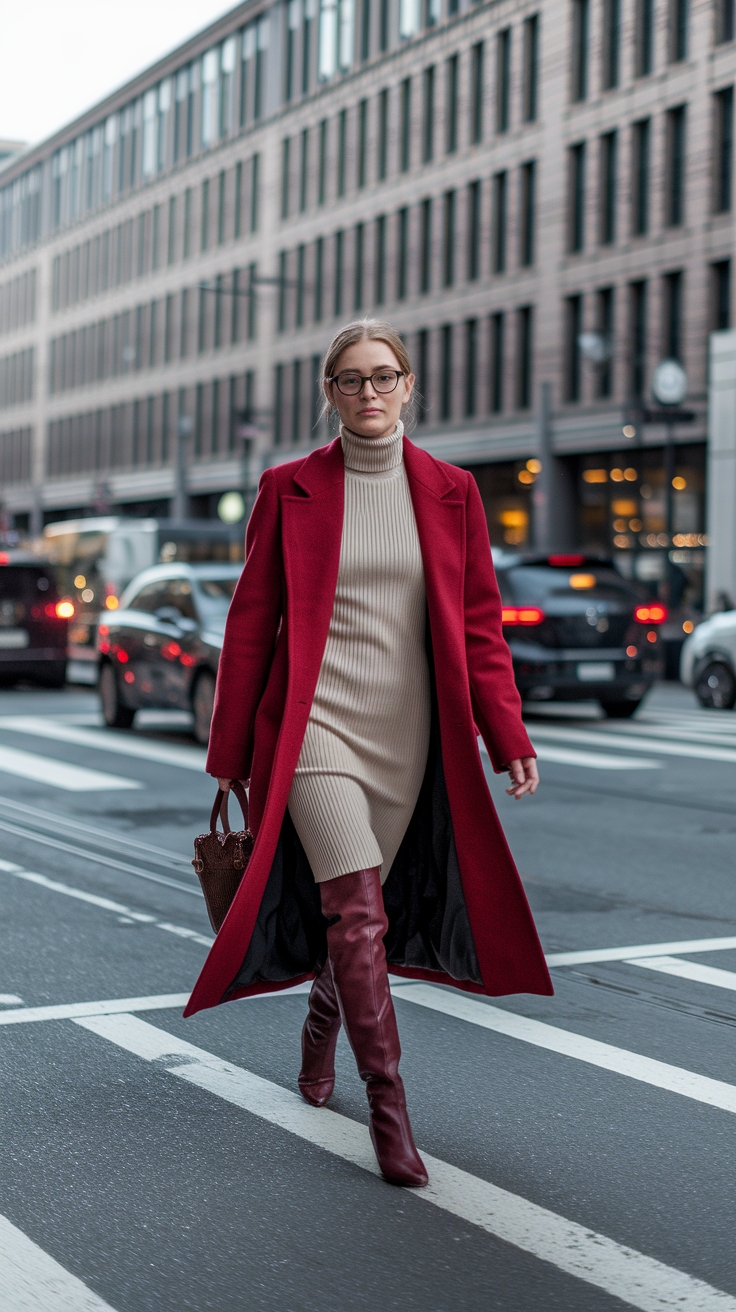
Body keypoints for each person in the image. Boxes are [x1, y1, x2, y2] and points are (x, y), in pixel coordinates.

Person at [184, 319, 552, 1188]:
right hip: (316, 730)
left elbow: (479, 628)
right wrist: (231, 749)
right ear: (331, 394)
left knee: (363, 917)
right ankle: (390, 1111)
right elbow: (250, 626)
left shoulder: (453, 491)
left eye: (384, 376)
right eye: (351, 380)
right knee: (355, 910)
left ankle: (321, 1025)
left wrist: (508, 734)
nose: (370, 392)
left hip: (410, 734)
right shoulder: (289, 489)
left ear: (410, 386)